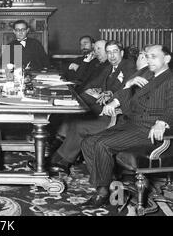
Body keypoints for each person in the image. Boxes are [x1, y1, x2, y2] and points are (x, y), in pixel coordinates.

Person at [81, 45, 173, 207]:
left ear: (166, 59)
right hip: (132, 123)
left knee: (102, 144)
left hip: (148, 130)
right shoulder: (147, 75)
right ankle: (107, 184)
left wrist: (161, 122)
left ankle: (103, 192)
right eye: (146, 56)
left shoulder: (169, 78)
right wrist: (127, 85)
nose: (148, 60)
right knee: (88, 142)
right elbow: (128, 96)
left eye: (153, 56)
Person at [47, 40, 136, 175]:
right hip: (103, 109)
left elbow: (125, 89)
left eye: (115, 52)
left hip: (118, 115)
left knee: (80, 126)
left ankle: (63, 162)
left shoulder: (127, 65)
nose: (112, 56)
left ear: (122, 53)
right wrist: (86, 94)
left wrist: (107, 94)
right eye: (109, 52)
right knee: (76, 121)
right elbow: (91, 84)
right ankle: (53, 160)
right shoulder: (108, 68)